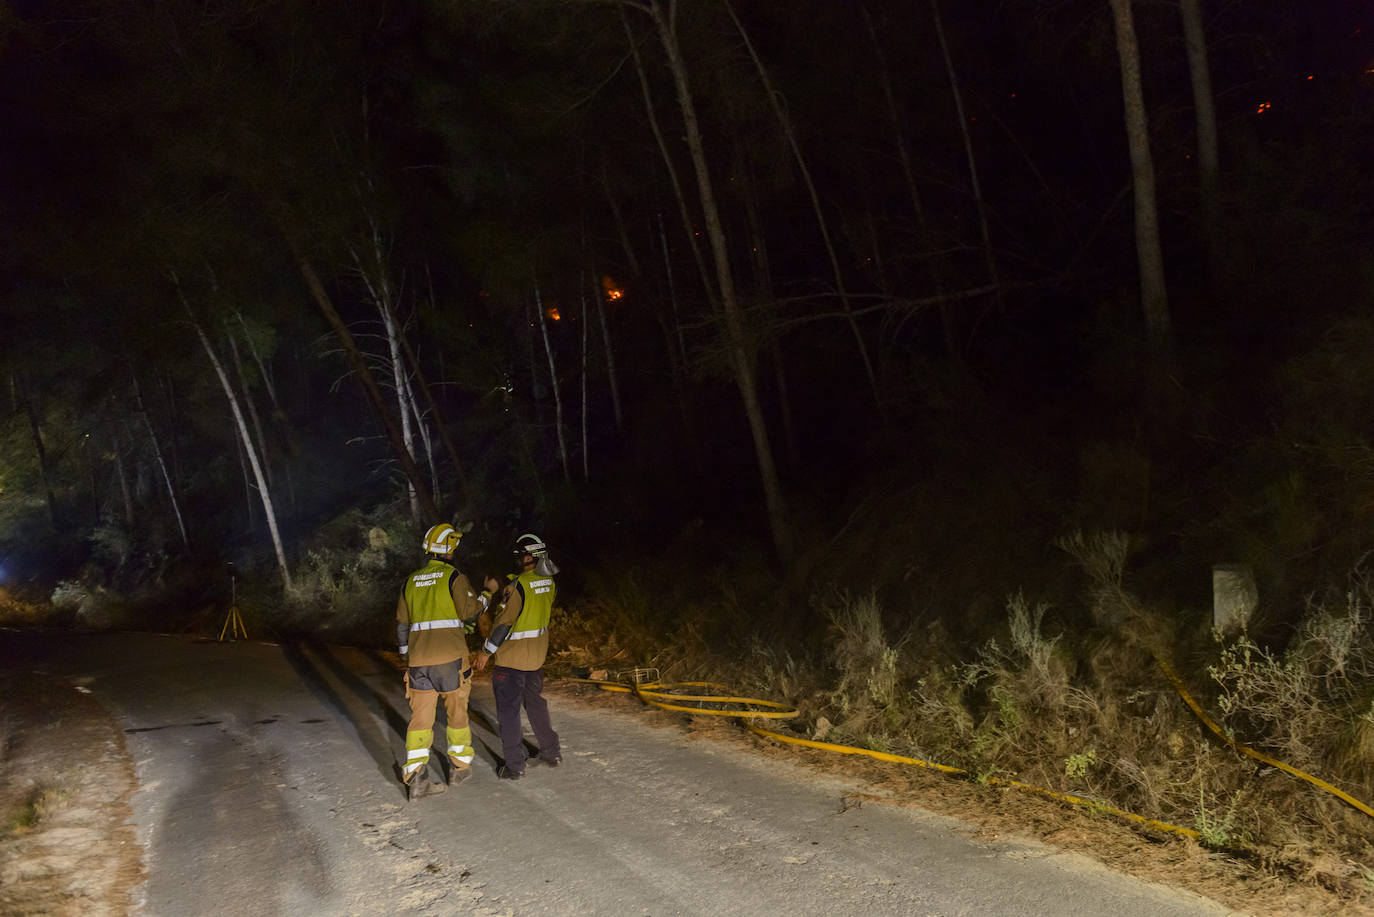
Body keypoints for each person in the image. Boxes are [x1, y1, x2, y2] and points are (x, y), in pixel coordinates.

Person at [396, 522, 490, 801]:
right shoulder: (454, 577)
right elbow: (471, 612)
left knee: (420, 718)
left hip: (418, 663)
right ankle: (459, 768)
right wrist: (488, 593)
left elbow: (402, 624)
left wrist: (406, 654)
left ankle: (415, 778)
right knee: (457, 712)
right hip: (450, 661)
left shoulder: (410, 581)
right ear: (449, 548)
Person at [473, 533, 561, 779]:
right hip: (536, 658)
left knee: (508, 713)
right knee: (535, 702)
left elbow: (504, 624)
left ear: (530, 556)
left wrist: (485, 653)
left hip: (511, 661)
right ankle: (551, 751)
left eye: (520, 556)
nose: (517, 560)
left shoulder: (516, 587)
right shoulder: (549, 582)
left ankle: (514, 766)